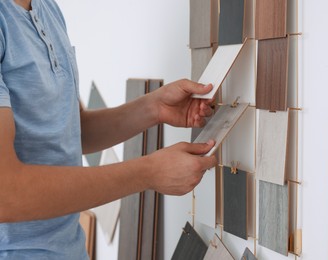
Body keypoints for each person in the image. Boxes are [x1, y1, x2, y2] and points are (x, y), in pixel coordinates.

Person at [0, 0, 217, 258]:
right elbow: (6, 193)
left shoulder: (47, 8)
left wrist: (153, 107)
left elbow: (71, 130)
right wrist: (147, 173)